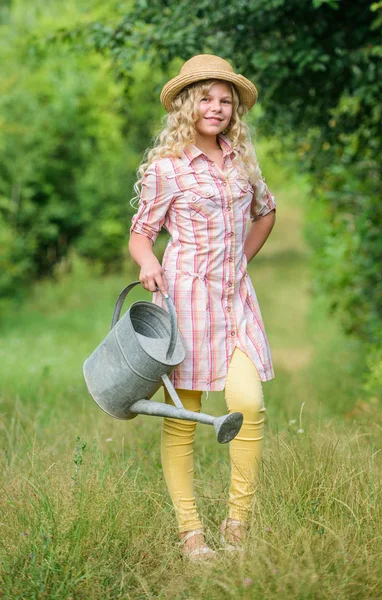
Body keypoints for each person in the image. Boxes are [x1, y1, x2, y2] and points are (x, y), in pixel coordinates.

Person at [129, 54, 276, 561]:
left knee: (249, 405)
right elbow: (141, 234)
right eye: (208, 99)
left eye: (226, 101)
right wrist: (149, 263)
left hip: (234, 300)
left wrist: (241, 260)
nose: (217, 108)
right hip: (186, 301)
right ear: (189, 104)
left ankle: (237, 529)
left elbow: (265, 212)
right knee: (184, 418)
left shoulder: (241, 161)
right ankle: (192, 534)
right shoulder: (166, 169)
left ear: (234, 111)